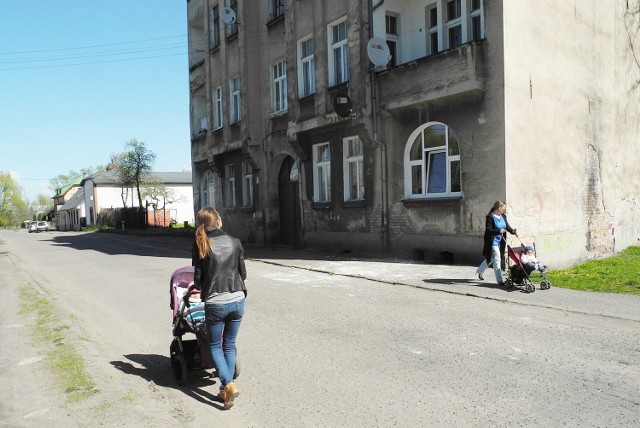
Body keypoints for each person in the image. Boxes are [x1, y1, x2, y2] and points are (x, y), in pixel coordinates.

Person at [190, 207, 247, 409]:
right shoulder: (235, 242)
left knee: (215, 346)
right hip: (238, 298)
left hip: (216, 302)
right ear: (219, 221)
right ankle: (225, 391)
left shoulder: (200, 244)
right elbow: (243, 274)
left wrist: (200, 287)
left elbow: (197, 280)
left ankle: (228, 384)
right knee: (229, 344)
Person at [476, 200, 517, 286]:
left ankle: (479, 271)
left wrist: (512, 231)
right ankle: (500, 280)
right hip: (492, 242)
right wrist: (499, 231)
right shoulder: (490, 217)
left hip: (500, 242)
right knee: (497, 259)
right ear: (499, 208)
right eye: (504, 209)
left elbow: (507, 226)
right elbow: (489, 230)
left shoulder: (503, 216)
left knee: (490, 258)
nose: (505, 210)